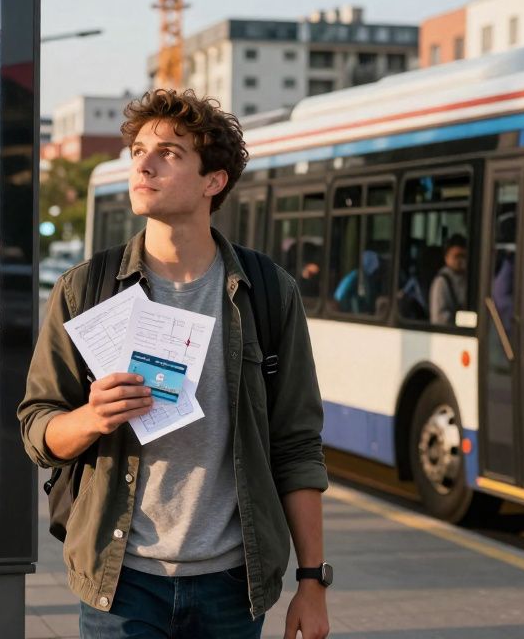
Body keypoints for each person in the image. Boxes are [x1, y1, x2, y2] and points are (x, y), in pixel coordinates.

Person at [20, 89, 331, 639]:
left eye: (169, 152)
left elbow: (297, 445)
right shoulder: (86, 289)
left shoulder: (266, 293)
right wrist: (92, 418)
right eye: (139, 149)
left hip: (234, 585)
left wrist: (312, 582)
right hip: (121, 582)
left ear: (214, 181)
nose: (143, 163)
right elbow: (37, 429)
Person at [429, 234, 468, 326]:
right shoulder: (442, 282)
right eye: (456, 256)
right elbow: (438, 319)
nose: (460, 261)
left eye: (463, 256)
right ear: (446, 258)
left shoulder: (467, 278)